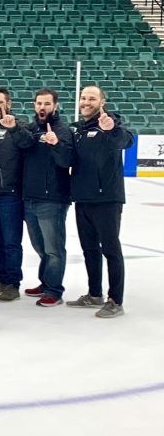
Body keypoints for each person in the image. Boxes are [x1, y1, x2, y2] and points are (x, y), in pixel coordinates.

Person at [67, 85, 134, 318]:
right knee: (89, 250)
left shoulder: (110, 124)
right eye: (83, 98)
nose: (86, 102)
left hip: (107, 198)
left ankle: (116, 300)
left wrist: (112, 128)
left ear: (101, 102)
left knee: (111, 250)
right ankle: (94, 294)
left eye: (92, 98)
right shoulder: (77, 130)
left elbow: (126, 140)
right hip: (83, 198)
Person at [19, 88, 74, 307]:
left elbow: (67, 161)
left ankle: (54, 290)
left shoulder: (63, 130)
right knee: (41, 247)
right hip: (30, 198)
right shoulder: (31, 129)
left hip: (53, 200)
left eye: (47, 104)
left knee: (53, 249)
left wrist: (56, 144)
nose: (42, 107)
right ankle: (45, 282)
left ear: (55, 106)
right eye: (39, 103)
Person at [0, 87, 31, 302]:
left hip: (10, 193)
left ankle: (13, 283)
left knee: (11, 242)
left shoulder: (19, 126)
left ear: (8, 104)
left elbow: (27, 143)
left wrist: (14, 129)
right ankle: (1, 278)